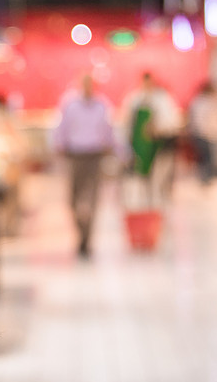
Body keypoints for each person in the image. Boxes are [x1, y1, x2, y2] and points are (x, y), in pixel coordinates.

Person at [51, 74, 116, 258]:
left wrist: (114, 149)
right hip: (75, 155)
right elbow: (61, 128)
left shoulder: (102, 105)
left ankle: (87, 239)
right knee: (73, 198)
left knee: (93, 197)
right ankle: (81, 232)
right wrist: (59, 146)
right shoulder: (70, 104)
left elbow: (108, 129)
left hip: (95, 155)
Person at [121, 72, 182, 203]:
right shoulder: (135, 99)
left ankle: (159, 205)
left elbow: (172, 122)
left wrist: (157, 128)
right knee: (141, 180)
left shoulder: (162, 98)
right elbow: (126, 123)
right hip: (140, 147)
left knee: (159, 179)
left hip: (160, 146)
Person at [186, 82, 217, 184]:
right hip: (205, 135)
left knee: (204, 158)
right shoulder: (207, 103)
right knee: (207, 159)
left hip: (199, 134)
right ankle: (206, 181)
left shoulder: (197, 101)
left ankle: (204, 179)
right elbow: (209, 121)